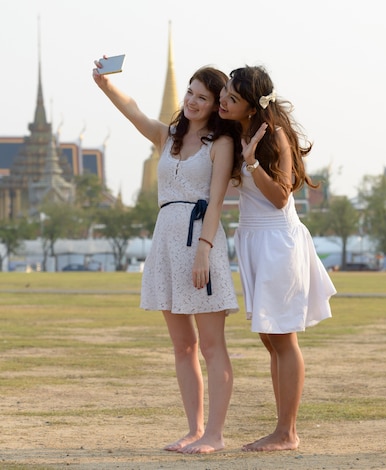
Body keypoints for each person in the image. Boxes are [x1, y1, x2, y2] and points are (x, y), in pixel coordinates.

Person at [92, 60, 239, 454]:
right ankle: (194, 429)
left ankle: (215, 435)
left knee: (211, 346)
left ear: (215, 105)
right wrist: (106, 85)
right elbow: (134, 110)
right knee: (183, 346)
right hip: (165, 244)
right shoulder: (168, 136)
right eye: (190, 92)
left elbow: (217, 203)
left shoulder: (220, 145)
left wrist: (204, 253)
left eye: (202, 97)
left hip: (200, 245)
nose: (192, 101)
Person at [218, 65, 336, 452]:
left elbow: (282, 197)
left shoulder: (276, 137)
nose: (224, 101)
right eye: (225, 94)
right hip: (253, 238)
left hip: (278, 241)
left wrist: (251, 162)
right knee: (271, 337)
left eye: (232, 98)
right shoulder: (239, 133)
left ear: (252, 106)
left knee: (283, 337)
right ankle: (282, 427)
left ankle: (287, 432)